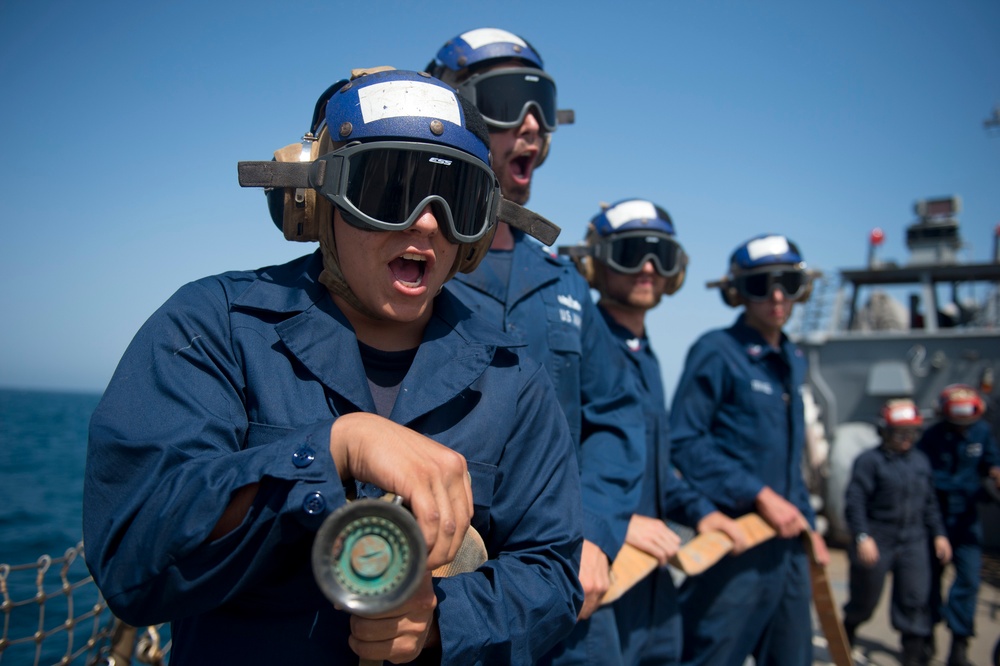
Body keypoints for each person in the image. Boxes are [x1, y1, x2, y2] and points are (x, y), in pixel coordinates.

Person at [82, 68, 584, 665]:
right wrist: (332, 451)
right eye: (391, 188)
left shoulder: (512, 376)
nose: (425, 221)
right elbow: (132, 553)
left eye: (456, 200)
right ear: (318, 199)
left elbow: (552, 571)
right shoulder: (214, 327)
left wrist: (442, 620)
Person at [426, 29, 647, 665]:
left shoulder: (564, 281)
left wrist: (597, 535)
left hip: (567, 606)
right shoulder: (407, 267)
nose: (530, 125)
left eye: (541, 105)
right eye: (502, 101)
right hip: (441, 610)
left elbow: (617, 416)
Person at [561, 199, 747, 665]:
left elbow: (657, 472)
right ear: (594, 263)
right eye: (630, 253)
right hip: (599, 574)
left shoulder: (648, 356)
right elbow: (547, 465)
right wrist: (617, 524)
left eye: (659, 255)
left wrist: (703, 512)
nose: (647, 267)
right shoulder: (578, 349)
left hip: (654, 585)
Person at [667, 233, 828, 666]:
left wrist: (810, 528)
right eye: (761, 284)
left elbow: (789, 460)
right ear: (738, 292)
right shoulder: (717, 352)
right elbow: (683, 440)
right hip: (736, 546)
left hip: (790, 551)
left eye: (787, 283)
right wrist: (758, 494)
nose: (776, 295)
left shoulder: (792, 356)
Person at [842, 398, 952, 666]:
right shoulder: (869, 462)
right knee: (864, 600)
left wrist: (939, 534)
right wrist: (862, 537)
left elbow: (930, 504)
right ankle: (846, 635)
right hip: (879, 536)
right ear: (885, 432)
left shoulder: (921, 463)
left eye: (911, 433)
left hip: (914, 538)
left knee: (915, 601)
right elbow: (855, 503)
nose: (906, 438)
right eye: (900, 432)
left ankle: (912, 658)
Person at [917, 384, 1000, 666]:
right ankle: (925, 636)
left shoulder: (982, 432)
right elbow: (923, 478)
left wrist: (994, 471)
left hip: (967, 520)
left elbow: (991, 459)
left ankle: (959, 642)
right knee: (929, 582)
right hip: (935, 517)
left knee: (968, 580)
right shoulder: (931, 438)